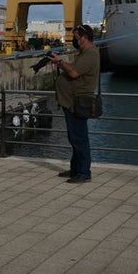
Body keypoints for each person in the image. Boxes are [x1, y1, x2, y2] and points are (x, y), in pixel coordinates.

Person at [48, 23, 101, 183]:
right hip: (71, 101)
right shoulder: (84, 53)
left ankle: (84, 173)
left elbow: (74, 72)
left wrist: (59, 62)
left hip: (77, 102)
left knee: (79, 138)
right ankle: (76, 169)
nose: (75, 41)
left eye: (76, 38)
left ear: (84, 38)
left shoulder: (91, 54)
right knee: (74, 137)